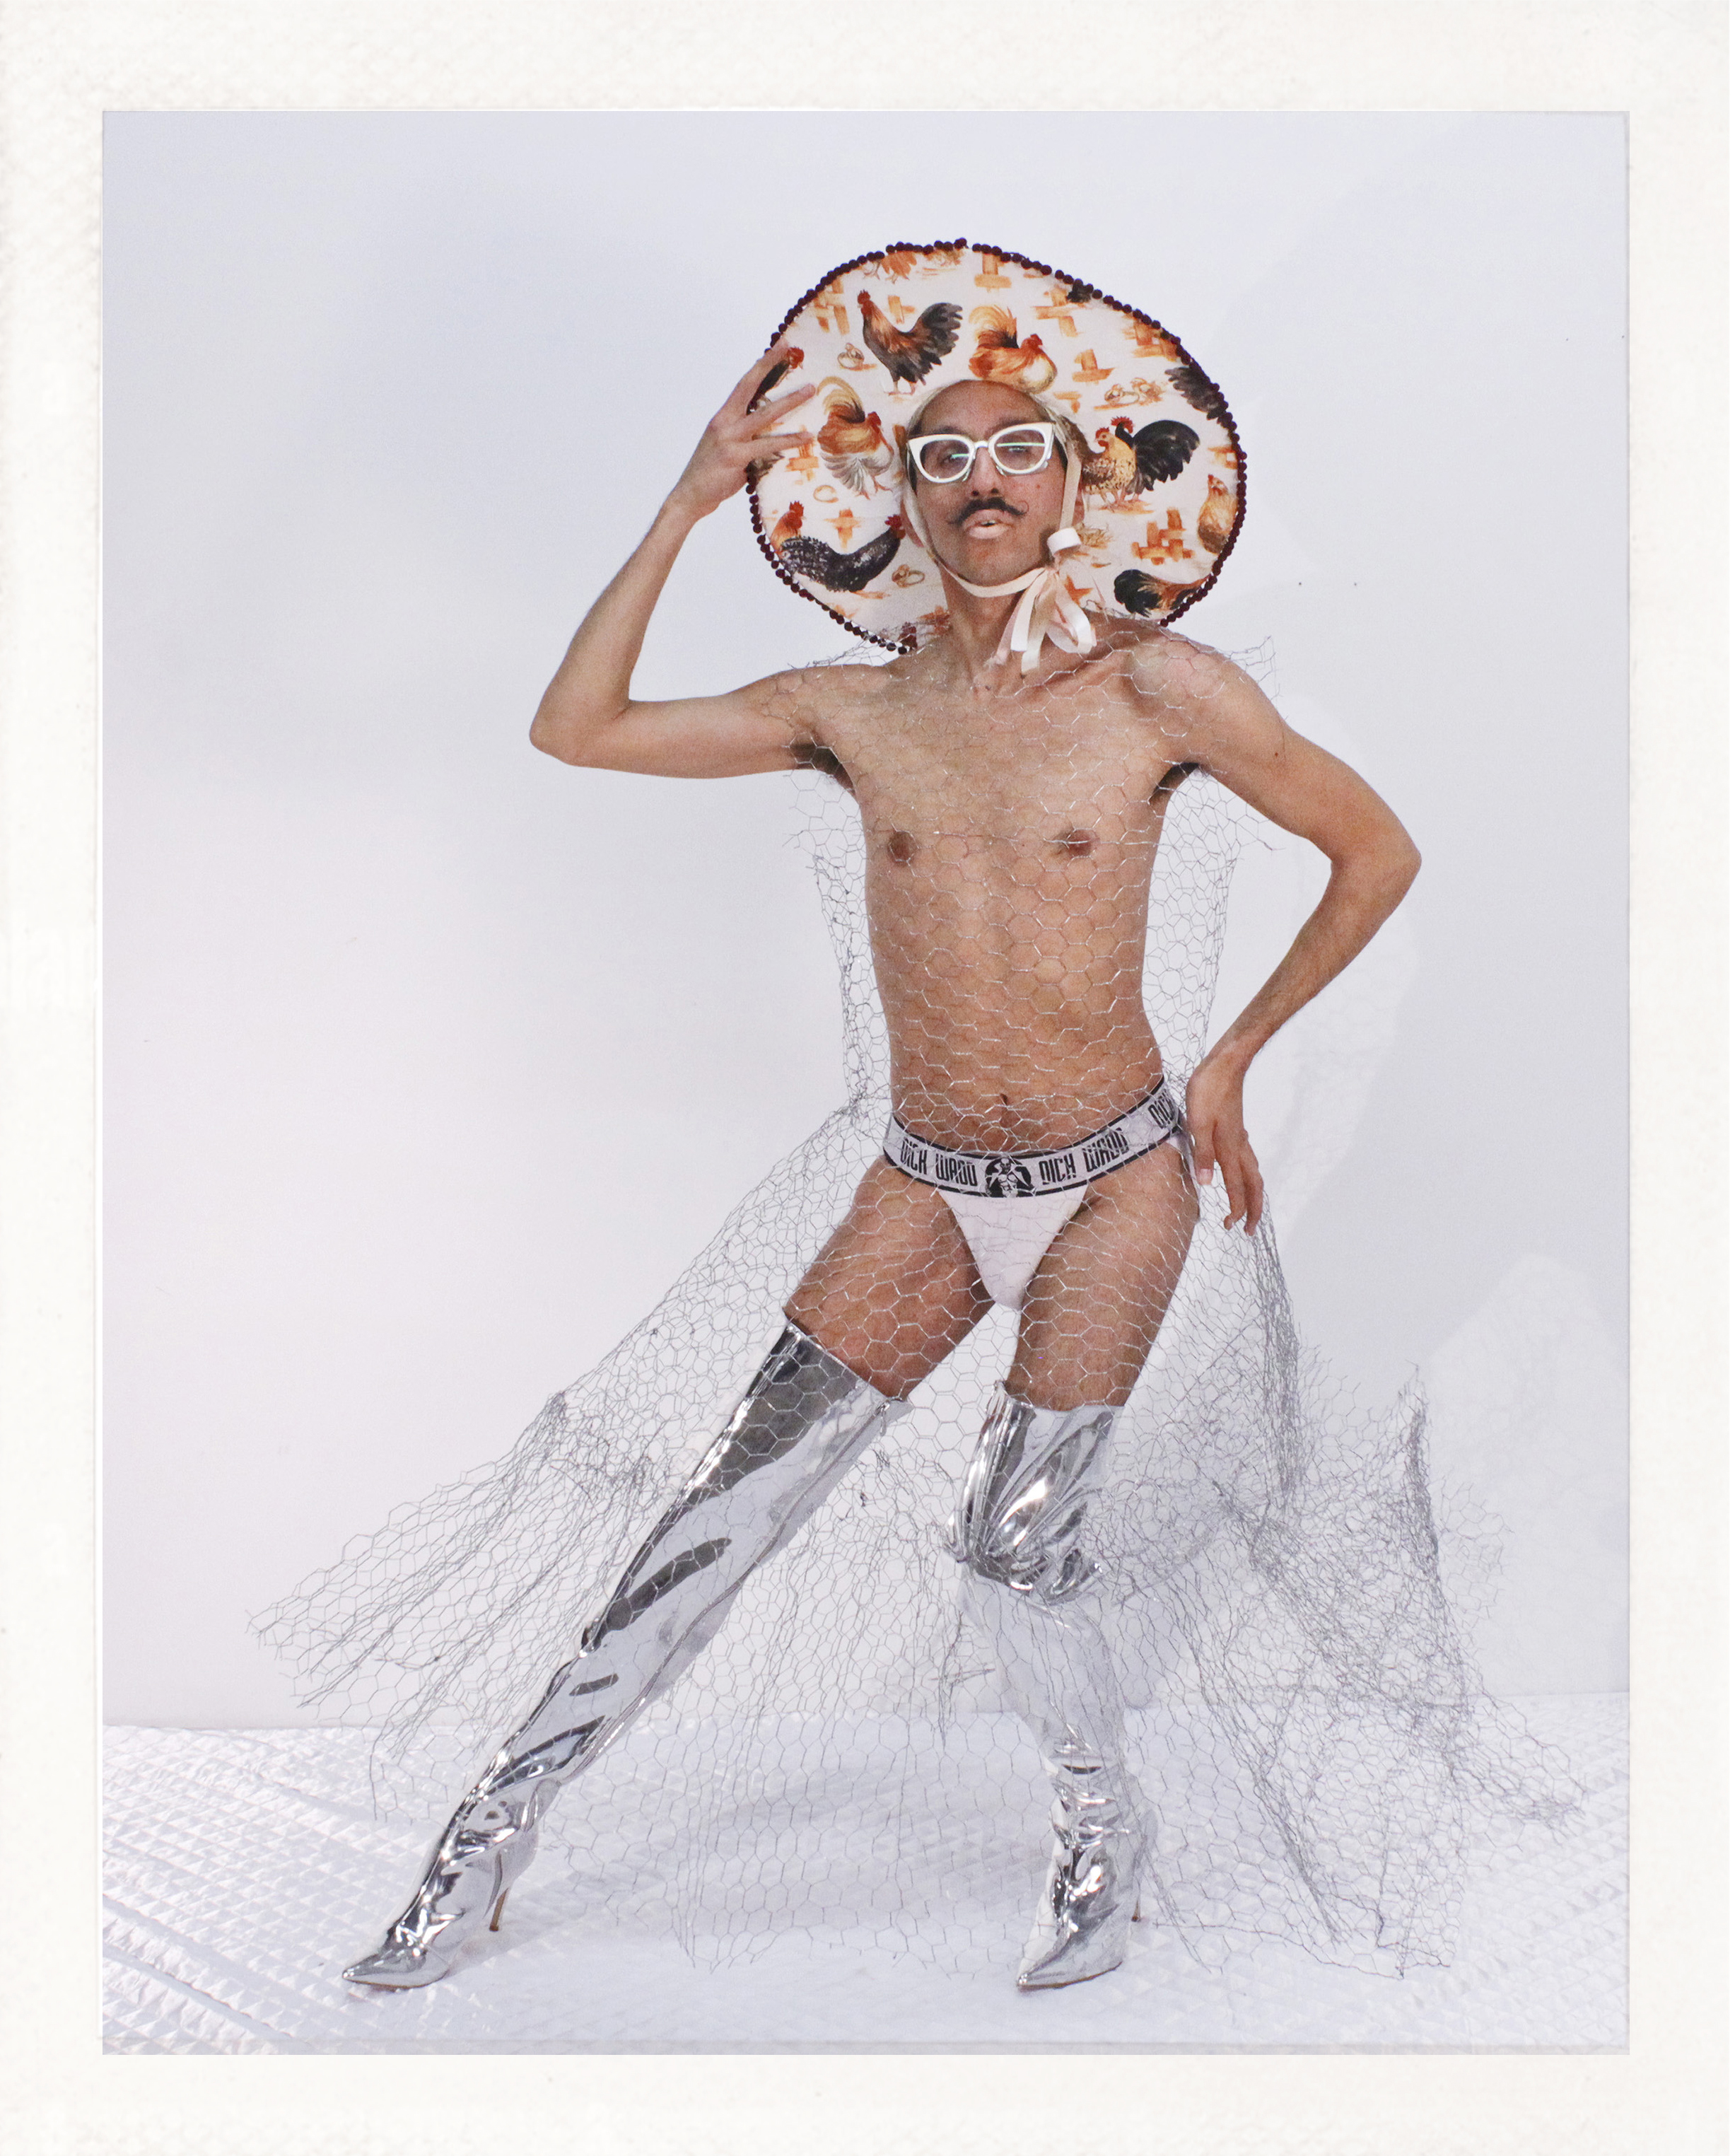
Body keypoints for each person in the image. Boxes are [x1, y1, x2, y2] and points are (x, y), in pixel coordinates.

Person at [334, 247, 1422, 1997]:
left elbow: (1376, 849)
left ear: (1077, 482)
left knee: (1014, 1544)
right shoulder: (851, 710)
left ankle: (1099, 1827)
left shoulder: (1161, 688)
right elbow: (575, 727)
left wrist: (1230, 1060)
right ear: (897, 495)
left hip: (1113, 1181)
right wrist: (688, 502)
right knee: (718, 1518)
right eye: (944, 455)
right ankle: (487, 1838)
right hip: (924, 1183)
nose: (984, 483)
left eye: (1019, 451)